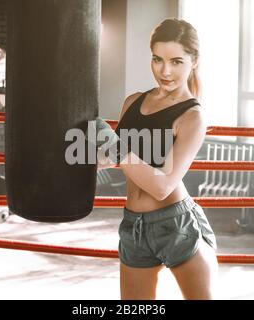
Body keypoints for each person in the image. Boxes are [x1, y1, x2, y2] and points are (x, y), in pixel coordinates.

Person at [89, 18, 218, 300]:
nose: (165, 71)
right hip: (132, 225)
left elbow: (162, 186)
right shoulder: (133, 101)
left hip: (175, 225)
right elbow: (112, 159)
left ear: (193, 62)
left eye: (176, 61)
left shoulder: (192, 116)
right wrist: (91, 138)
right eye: (157, 59)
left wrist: (115, 146)